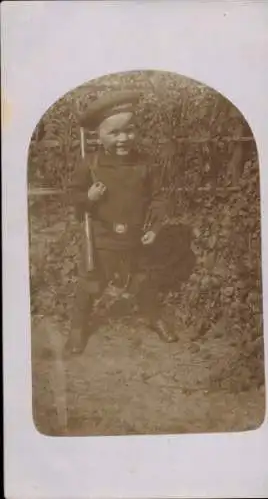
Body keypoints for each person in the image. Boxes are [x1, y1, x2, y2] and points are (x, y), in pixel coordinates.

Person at [65, 89, 178, 356]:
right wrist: (88, 197)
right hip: (102, 238)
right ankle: (78, 329)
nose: (123, 138)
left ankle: (153, 318)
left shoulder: (144, 164)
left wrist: (154, 227)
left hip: (136, 236)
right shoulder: (90, 165)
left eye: (129, 130)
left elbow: (159, 198)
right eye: (114, 133)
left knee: (143, 279)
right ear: (99, 135)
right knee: (90, 283)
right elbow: (71, 195)